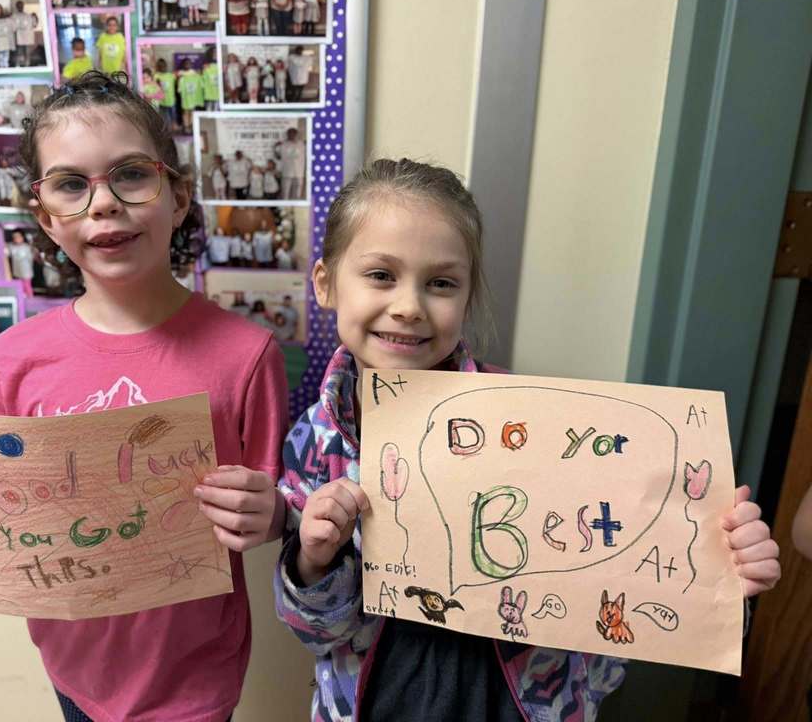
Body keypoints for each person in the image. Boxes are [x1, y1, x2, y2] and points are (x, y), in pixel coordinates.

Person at [273, 158, 781, 721]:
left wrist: (722, 571)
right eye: (381, 275)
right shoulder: (313, 443)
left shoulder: (537, 425)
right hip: (379, 695)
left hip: (521, 697)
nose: (409, 306)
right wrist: (314, 563)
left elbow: (618, 576)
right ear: (325, 283)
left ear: (467, 296)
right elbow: (316, 635)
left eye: (441, 283)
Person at [0, 70, 289, 722]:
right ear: (46, 218)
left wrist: (275, 517)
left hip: (193, 676)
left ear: (179, 195)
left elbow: (281, 513)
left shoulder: (246, 355)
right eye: (71, 185)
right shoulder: (17, 356)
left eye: (131, 175)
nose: (103, 204)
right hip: (69, 662)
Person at [176, 58, 203, 134]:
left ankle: (191, 126)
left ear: (191, 64)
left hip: (193, 97)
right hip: (184, 96)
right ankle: (186, 126)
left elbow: (200, 81)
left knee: (192, 111)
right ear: (183, 64)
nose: (187, 65)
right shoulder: (180, 73)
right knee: (185, 112)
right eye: (186, 63)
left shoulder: (194, 73)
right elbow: (177, 82)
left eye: (189, 63)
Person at [277, 128, 305, 200]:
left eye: (293, 133)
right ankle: (284, 209)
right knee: (285, 192)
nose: (291, 135)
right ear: (287, 134)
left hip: (299, 172)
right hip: (287, 172)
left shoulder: (301, 144)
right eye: (289, 133)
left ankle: (295, 208)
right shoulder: (283, 144)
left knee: (297, 193)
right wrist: (276, 147)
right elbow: (278, 157)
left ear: (296, 134)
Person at [153, 58, 177, 129]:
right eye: (160, 66)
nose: (163, 68)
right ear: (158, 67)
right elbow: (155, 86)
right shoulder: (156, 76)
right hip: (162, 101)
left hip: (171, 100)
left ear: (166, 66)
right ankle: (168, 129)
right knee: (165, 117)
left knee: (173, 115)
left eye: (164, 66)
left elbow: (179, 75)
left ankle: (173, 127)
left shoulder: (171, 75)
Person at [13, 1, 35, 68]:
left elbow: (34, 24)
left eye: (21, 5)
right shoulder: (14, 16)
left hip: (27, 38)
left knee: (27, 52)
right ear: (16, 7)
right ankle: (17, 65)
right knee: (18, 52)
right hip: (18, 38)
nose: (20, 7)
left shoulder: (28, 16)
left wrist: (35, 18)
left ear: (23, 6)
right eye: (18, 5)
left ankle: (27, 65)